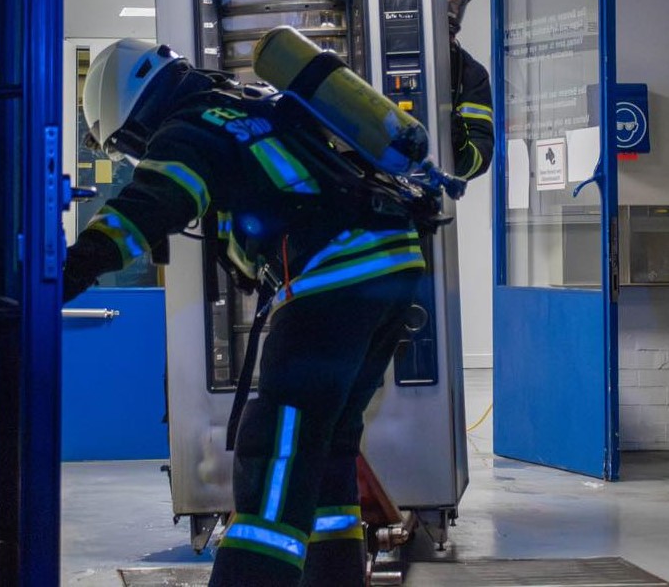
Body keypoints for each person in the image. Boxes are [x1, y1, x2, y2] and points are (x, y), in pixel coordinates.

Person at [62, 37, 444, 586]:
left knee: (276, 449)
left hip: (332, 279)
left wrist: (67, 272)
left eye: (129, 146)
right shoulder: (254, 103)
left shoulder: (189, 129)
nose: (137, 154)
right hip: (393, 266)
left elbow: (147, 208)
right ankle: (332, 578)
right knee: (328, 444)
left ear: (133, 115)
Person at [440, 0, 494, 181]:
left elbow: (480, 158)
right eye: (442, 1)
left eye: (456, 4)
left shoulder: (471, 74)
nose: (450, 12)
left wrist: (458, 145)